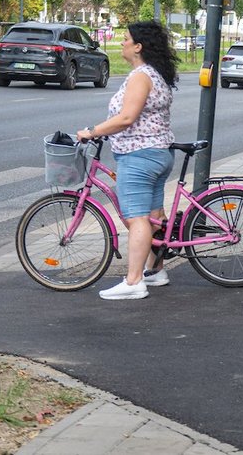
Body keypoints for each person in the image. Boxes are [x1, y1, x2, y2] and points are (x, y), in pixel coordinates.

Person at [77, 21, 178, 300]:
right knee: (154, 216)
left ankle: (134, 282)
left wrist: (93, 131)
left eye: (125, 39)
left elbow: (126, 118)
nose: (122, 42)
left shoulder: (141, 76)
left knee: (137, 219)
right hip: (158, 153)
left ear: (138, 47)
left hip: (139, 156)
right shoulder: (155, 73)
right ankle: (155, 271)